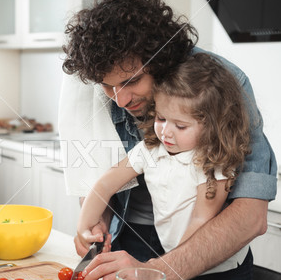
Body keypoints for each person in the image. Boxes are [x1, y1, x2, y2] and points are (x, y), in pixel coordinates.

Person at [59, 0, 277, 280]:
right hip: (130, 240)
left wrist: (162, 269)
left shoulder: (222, 85)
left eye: (132, 81)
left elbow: (251, 216)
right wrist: (94, 224)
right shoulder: (97, 86)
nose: (120, 99)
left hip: (211, 256)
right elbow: (100, 176)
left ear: (161, 62)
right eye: (108, 86)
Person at [78, 53, 250, 261]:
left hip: (207, 263)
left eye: (180, 126)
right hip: (172, 256)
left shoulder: (214, 162)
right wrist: (84, 227)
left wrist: (166, 265)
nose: (166, 132)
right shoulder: (150, 149)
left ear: (212, 127)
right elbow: (105, 185)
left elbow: (201, 219)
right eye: (161, 118)